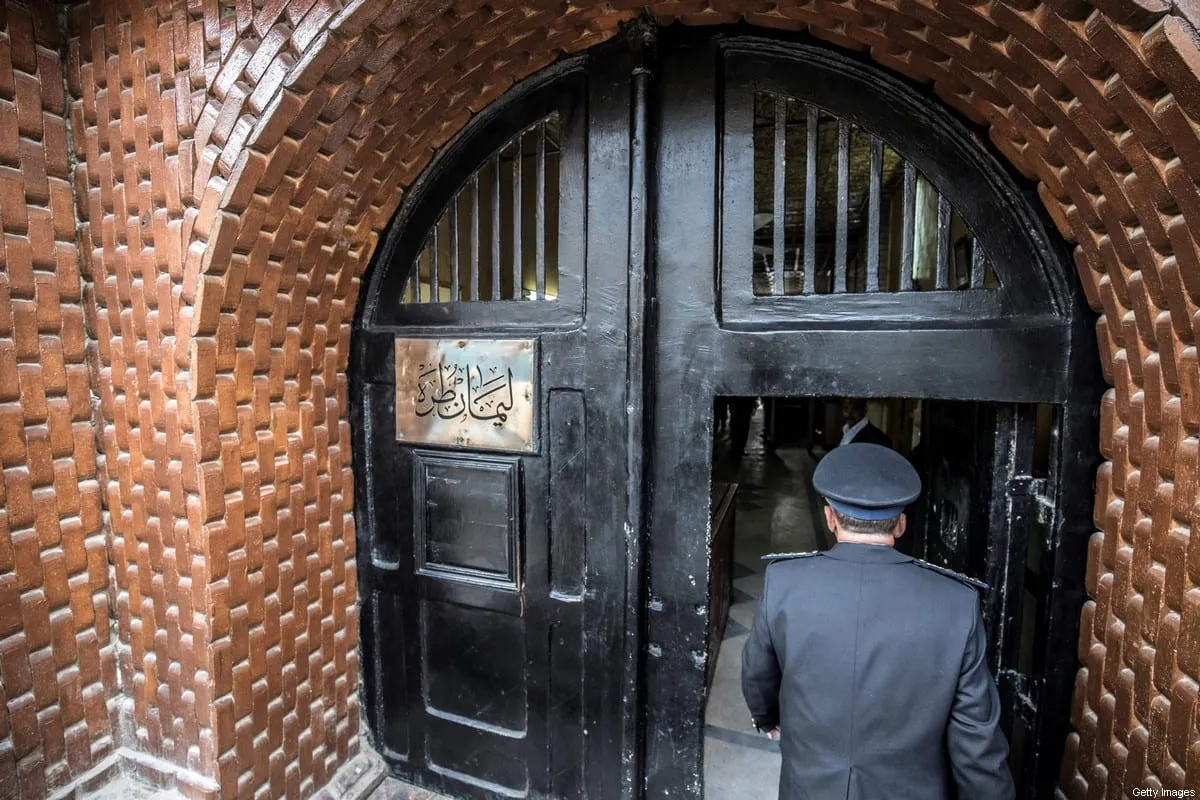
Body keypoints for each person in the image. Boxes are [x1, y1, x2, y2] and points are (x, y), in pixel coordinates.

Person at [741, 443, 1014, 799]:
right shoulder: (956, 602)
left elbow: (757, 674)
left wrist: (767, 718)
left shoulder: (784, 583)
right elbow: (977, 742)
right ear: (901, 524)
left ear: (829, 518)